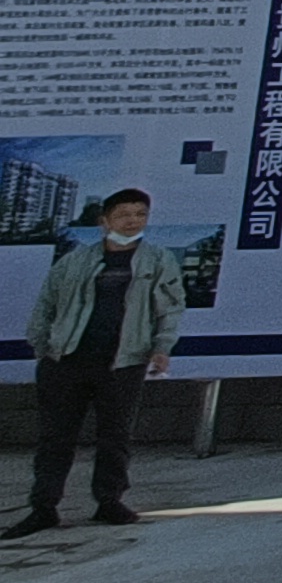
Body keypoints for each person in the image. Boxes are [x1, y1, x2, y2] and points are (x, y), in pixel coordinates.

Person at [10, 189, 183, 540]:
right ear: (105, 221)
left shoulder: (157, 260)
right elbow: (46, 304)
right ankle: (44, 506)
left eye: (140, 214)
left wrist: (161, 347)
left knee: (115, 435)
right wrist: (43, 347)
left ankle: (109, 500)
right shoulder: (76, 260)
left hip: (123, 362)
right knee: (55, 438)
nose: (133, 221)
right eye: (124, 215)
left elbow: (170, 308)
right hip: (66, 360)